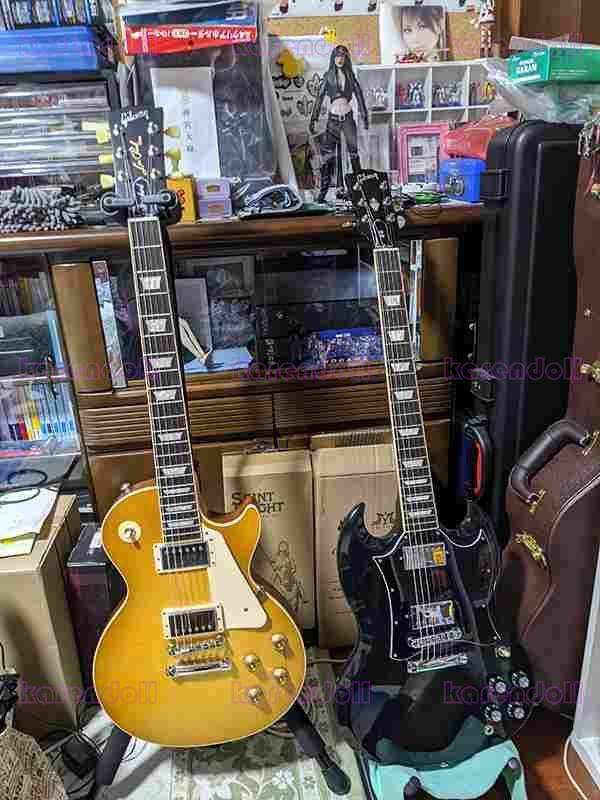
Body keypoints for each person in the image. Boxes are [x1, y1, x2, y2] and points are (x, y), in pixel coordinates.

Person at [309, 45, 369, 203]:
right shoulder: (328, 76)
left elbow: (359, 95)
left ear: (346, 58)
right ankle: (323, 192)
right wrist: (313, 118)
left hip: (348, 117)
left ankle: (360, 190)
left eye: (342, 56)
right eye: (337, 56)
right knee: (327, 156)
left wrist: (364, 116)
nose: (340, 59)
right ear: (333, 58)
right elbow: (319, 97)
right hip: (333, 120)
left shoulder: (350, 75)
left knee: (354, 155)